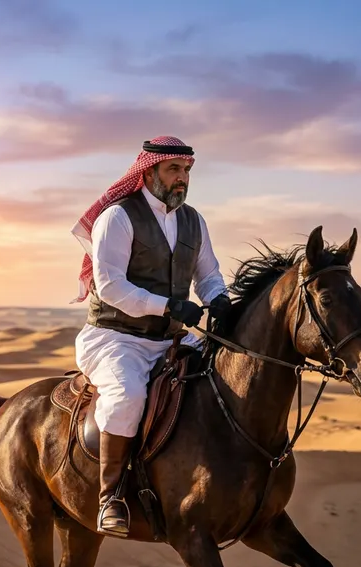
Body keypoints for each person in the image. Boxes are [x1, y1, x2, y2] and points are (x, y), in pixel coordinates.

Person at [70, 136, 232, 535]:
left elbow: (208, 275)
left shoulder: (193, 220)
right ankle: (110, 497)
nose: (182, 179)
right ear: (148, 171)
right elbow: (109, 286)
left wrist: (221, 300)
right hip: (115, 338)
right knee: (128, 396)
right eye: (174, 170)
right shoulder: (119, 217)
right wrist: (169, 306)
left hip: (171, 340)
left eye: (187, 171)